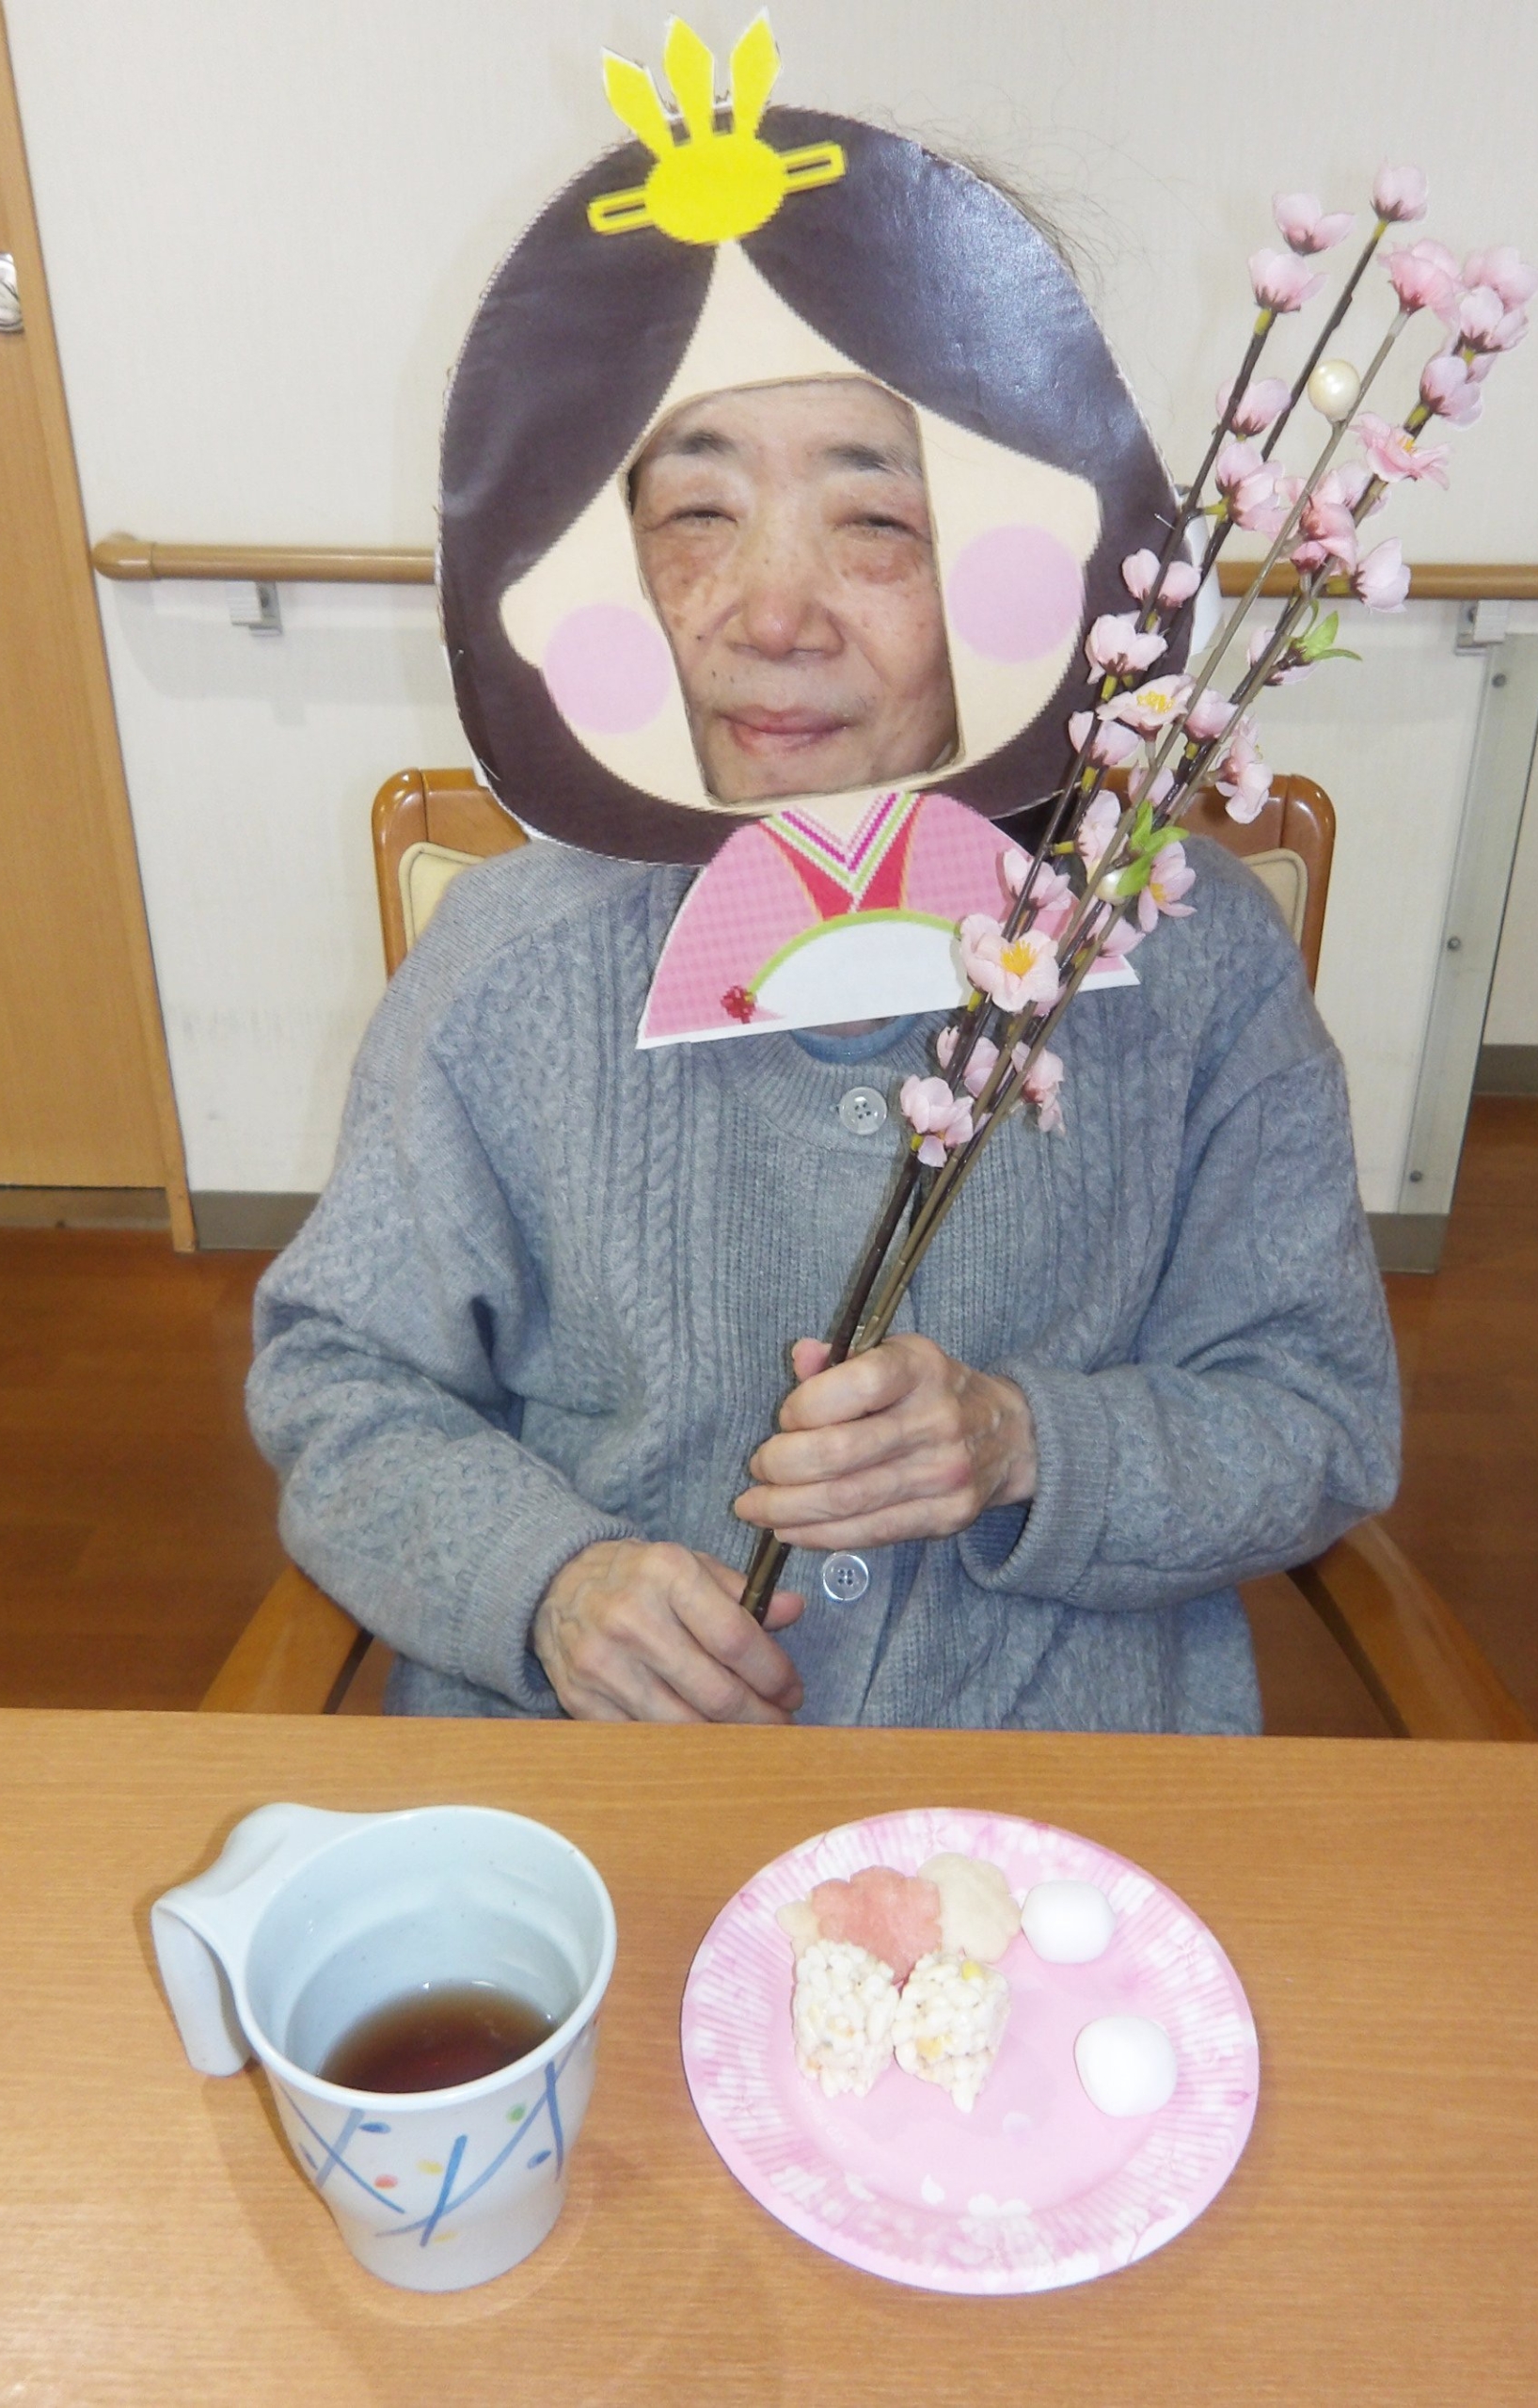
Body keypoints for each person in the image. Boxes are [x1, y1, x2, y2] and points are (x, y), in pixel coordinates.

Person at [245, 103, 1400, 1733]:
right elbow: (339, 1378)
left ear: (1023, 555)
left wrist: (1026, 1442)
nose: (771, 615)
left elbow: (1317, 1416)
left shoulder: (1193, 966)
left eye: (878, 522)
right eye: (694, 513)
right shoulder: (508, 971)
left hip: (1051, 1792)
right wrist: (546, 1584)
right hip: (610, 1789)